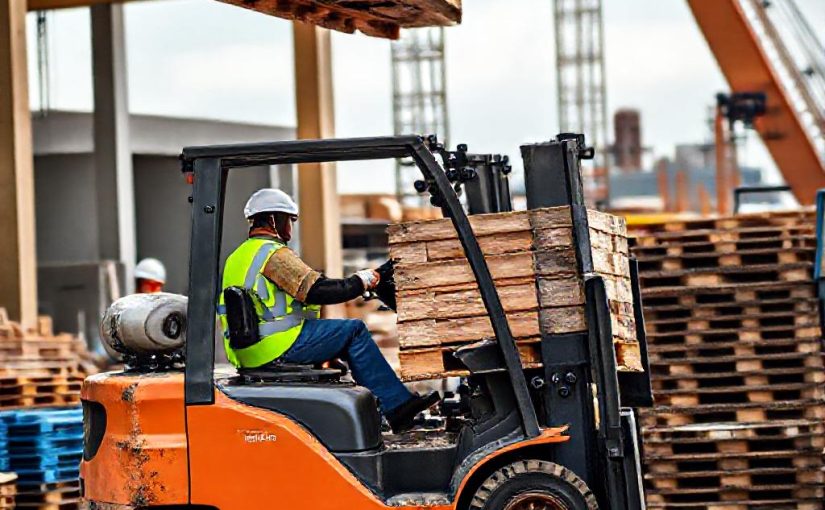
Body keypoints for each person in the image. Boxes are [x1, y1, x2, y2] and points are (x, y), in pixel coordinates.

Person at [218, 189, 438, 433]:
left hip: (251, 349)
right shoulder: (272, 254)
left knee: (340, 338)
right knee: (353, 330)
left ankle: (383, 405)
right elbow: (319, 291)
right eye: (289, 220)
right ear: (273, 219)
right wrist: (362, 280)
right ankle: (398, 407)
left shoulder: (238, 256)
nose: (290, 227)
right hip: (275, 345)